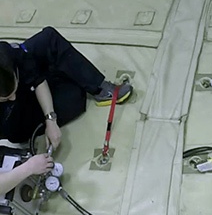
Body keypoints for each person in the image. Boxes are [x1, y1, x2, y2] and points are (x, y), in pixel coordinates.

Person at [0, 27, 133, 151]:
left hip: (26, 80)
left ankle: (99, 88)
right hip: (13, 116)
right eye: (6, 98)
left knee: (49, 38)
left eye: (13, 91)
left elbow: (37, 79)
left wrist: (50, 119)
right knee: (74, 96)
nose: (13, 97)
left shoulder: (9, 54)